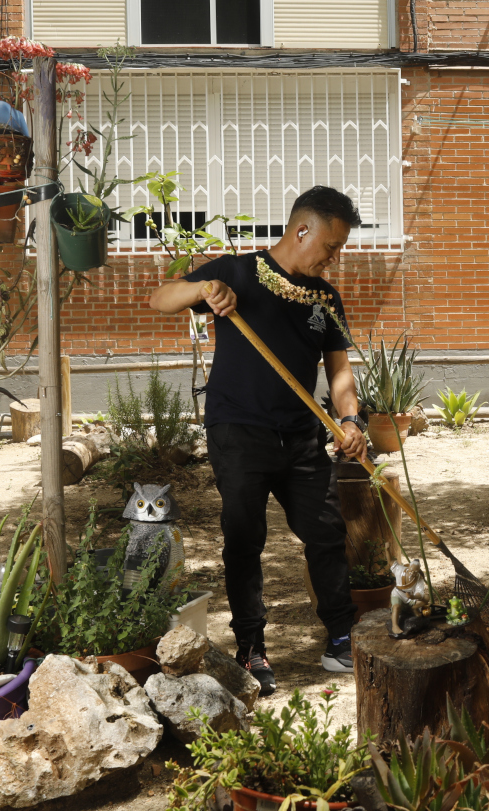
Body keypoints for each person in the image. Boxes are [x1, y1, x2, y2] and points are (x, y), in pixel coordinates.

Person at [148, 186, 367, 696]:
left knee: (326, 532)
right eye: (331, 246)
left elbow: (339, 371)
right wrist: (203, 291)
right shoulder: (238, 272)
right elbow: (160, 298)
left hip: (302, 434)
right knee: (245, 538)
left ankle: (341, 636)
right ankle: (251, 647)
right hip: (239, 431)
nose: (334, 258)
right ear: (302, 230)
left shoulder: (325, 298)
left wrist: (351, 420)